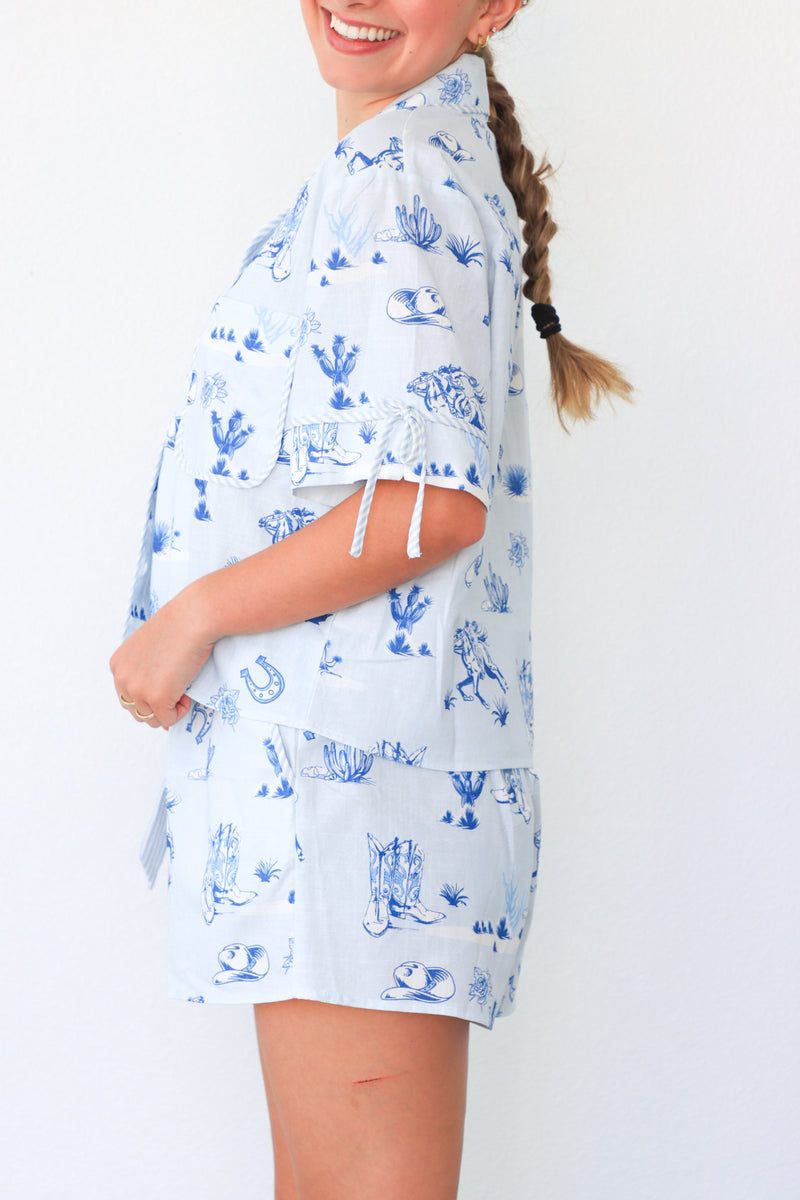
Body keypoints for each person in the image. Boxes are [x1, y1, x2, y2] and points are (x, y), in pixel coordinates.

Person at [111, 3, 631, 1197]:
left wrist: (190, 617)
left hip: (356, 804)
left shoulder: (403, 179)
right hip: (332, 796)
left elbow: (430, 508)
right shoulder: (388, 166)